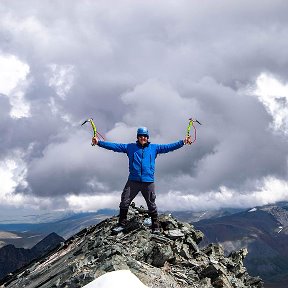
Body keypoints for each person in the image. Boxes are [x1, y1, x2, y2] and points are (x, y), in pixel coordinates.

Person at [92, 127, 192, 233]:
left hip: (148, 181)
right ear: (137, 137)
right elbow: (115, 146)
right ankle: (122, 224)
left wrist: (183, 142)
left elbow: (169, 147)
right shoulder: (130, 147)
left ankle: (155, 226)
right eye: (140, 136)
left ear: (147, 137)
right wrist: (99, 143)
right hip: (133, 181)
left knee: (151, 205)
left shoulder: (154, 148)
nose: (142, 138)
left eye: (144, 136)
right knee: (124, 202)